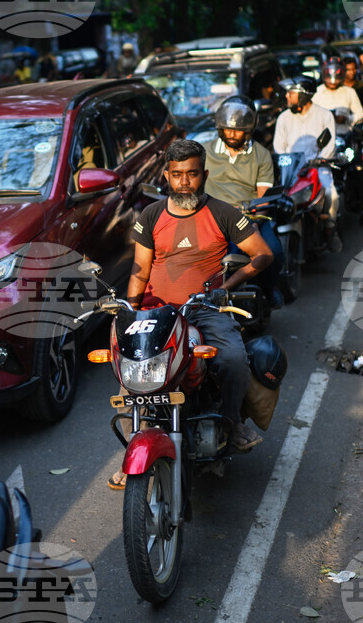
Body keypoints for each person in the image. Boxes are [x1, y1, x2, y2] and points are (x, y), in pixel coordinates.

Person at [106, 139, 272, 490]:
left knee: (231, 358)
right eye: (177, 174)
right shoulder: (151, 215)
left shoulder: (223, 212)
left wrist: (227, 285)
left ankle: (231, 423)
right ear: (166, 176)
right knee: (131, 371)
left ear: (204, 175)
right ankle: (136, 444)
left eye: (192, 174)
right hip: (158, 310)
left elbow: (262, 254)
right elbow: (139, 268)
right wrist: (129, 312)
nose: (185, 182)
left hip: (205, 308)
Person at [203, 96, 286, 309]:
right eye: (228, 129)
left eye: (238, 129)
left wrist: (254, 223)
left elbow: (262, 195)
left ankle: (268, 290)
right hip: (210, 217)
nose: (232, 134)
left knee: (273, 252)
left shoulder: (261, 155)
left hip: (248, 215)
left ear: (249, 129)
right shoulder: (204, 152)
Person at [273, 76, 343, 251]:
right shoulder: (283, 117)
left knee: (331, 195)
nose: (287, 96)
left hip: (317, 167)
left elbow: (330, 144)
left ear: (303, 96)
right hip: (291, 169)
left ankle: (330, 229)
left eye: (291, 93)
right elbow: (278, 146)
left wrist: (321, 160)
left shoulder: (325, 115)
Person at [313, 59, 363, 230]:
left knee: (359, 170)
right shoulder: (317, 94)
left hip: (345, 138)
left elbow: (360, 114)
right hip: (324, 141)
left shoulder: (349, 93)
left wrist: (346, 119)